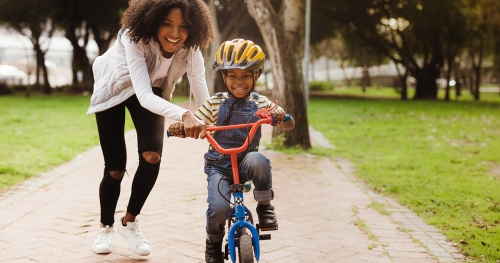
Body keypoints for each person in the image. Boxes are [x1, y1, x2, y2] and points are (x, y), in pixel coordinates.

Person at [87, 0, 216, 256]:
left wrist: (211, 120)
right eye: (167, 24)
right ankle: (105, 226)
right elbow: (143, 95)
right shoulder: (133, 38)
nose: (175, 34)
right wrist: (185, 114)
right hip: (114, 87)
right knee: (115, 168)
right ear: (153, 20)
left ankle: (129, 221)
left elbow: (199, 84)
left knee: (152, 155)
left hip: (151, 88)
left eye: (183, 26)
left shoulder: (190, 49)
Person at [168, 39, 295, 263]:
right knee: (218, 209)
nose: (239, 82)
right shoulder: (216, 103)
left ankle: (264, 206)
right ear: (224, 77)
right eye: (232, 76)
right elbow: (197, 121)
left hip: (246, 162)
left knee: (260, 160)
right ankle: (213, 245)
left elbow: (289, 123)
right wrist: (183, 126)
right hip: (219, 166)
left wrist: (280, 117)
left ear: (256, 76)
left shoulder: (261, 103)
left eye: (246, 75)